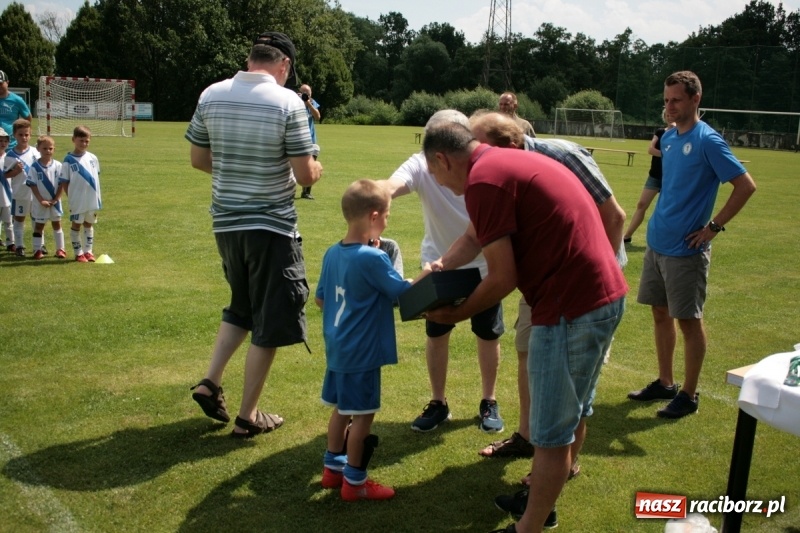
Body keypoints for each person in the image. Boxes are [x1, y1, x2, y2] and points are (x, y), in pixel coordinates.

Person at [422, 122, 627, 533]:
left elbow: (502, 278)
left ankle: (529, 525)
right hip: (601, 295)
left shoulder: (485, 182)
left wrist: (456, 314)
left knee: (550, 432)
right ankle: (543, 500)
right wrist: (441, 268)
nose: (440, 184)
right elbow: (473, 237)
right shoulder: (502, 162)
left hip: (569, 307)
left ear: (443, 159)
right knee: (574, 414)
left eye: (435, 174)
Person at [470, 112, 626, 471]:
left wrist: (594, 281)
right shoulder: (501, 172)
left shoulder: (563, 157)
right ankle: (528, 438)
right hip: (541, 284)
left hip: (583, 290)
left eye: (480, 148)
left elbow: (614, 217)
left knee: (571, 385)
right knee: (529, 352)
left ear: (508, 145)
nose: (474, 159)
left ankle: (559, 468)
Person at [185, 31, 322, 438]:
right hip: (271, 228)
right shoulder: (287, 102)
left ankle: (210, 382)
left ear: (251, 60)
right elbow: (304, 173)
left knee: (241, 306)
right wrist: (316, 169)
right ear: (284, 66)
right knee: (272, 320)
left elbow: (198, 159)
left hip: (226, 224)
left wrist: (237, 172)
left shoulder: (211, 95)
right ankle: (248, 416)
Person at [627, 70, 756, 419]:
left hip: (686, 249)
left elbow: (746, 186)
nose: (669, 107)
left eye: (676, 100)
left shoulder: (708, 140)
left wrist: (713, 227)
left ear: (695, 99)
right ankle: (665, 383)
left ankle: (688, 393)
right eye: (666, 100)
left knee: (688, 321)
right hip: (658, 242)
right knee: (659, 313)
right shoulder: (668, 138)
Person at [380, 109, 505, 434]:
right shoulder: (421, 163)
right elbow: (391, 185)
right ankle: (438, 402)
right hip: (438, 265)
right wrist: (371, 198)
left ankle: (488, 401)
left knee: (488, 334)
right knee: (437, 332)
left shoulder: (480, 168)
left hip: (484, 265)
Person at [316, 179, 430, 501]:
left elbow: (321, 300)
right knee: (363, 417)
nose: (388, 222)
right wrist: (428, 272)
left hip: (338, 350)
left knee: (341, 409)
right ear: (375, 215)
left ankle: (331, 471)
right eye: (388, 216)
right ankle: (355, 483)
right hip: (362, 353)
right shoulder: (373, 259)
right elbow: (402, 291)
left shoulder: (332, 253)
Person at [623, 110, 675, 244]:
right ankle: (627, 236)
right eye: (667, 115)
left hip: (671, 178)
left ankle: (665, 240)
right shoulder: (660, 132)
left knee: (666, 211)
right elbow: (650, 149)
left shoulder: (680, 133)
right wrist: (667, 154)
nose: (669, 117)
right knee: (641, 204)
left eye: (671, 115)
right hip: (655, 175)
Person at [58, 126, 101, 263]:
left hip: (92, 199)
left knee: (89, 224)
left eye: (87, 141)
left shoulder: (93, 158)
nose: (84, 144)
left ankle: (88, 251)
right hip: (77, 200)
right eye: (81, 140)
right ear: (73, 140)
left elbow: (96, 176)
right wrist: (70, 195)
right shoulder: (68, 160)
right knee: (76, 224)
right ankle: (78, 253)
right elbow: (64, 181)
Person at [3, 119, 40, 257]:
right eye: (20, 135)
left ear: (30, 135)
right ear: (14, 135)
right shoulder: (11, 155)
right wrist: (16, 171)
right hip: (19, 192)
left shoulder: (36, 152)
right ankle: (19, 246)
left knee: (37, 218)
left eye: (26, 134)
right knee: (19, 218)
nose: (24, 137)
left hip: (36, 193)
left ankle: (39, 245)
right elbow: (6, 174)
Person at [25, 136, 66, 260]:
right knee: (39, 225)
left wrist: (56, 199)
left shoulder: (58, 165)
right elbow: (32, 185)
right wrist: (40, 200)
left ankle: (60, 249)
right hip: (40, 202)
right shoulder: (34, 167)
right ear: (38, 149)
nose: (48, 151)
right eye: (44, 148)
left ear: (54, 149)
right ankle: (37, 250)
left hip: (55, 202)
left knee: (57, 224)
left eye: (50, 148)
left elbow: (62, 184)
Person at [298, 84, 321, 200]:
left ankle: (306, 192)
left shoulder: (312, 102)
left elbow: (317, 117)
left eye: (309, 93)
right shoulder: (294, 101)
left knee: (310, 165)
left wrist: (308, 103)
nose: (307, 95)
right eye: (305, 92)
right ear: (300, 92)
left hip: (310, 140)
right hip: (296, 139)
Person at [0, 71, 32, 149]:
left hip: (11, 146)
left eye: (1, 84)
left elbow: (28, 119)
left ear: (7, 82)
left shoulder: (17, 100)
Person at [0, 127, 13, 251]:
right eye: (0, 140)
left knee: (9, 221)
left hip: (7, 193)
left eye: (5, 141)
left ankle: (11, 243)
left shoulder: (9, 157)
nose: (3, 143)